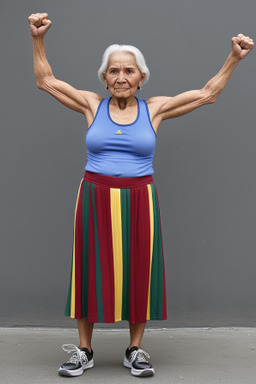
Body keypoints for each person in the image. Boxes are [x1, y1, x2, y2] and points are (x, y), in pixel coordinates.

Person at [28, 12, 254, 378]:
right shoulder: (91, 105)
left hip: (139, 199)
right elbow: (46, 81)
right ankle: (84, 350)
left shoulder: (155, 109)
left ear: (141, 77)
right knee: (89, 269)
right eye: (114, 71)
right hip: (94, 197)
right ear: (104, 78)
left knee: (139, 270)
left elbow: (208, 94)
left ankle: (134, 350)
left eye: (129, 71)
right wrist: (37, 38)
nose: (121, 77)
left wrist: (233, 58)